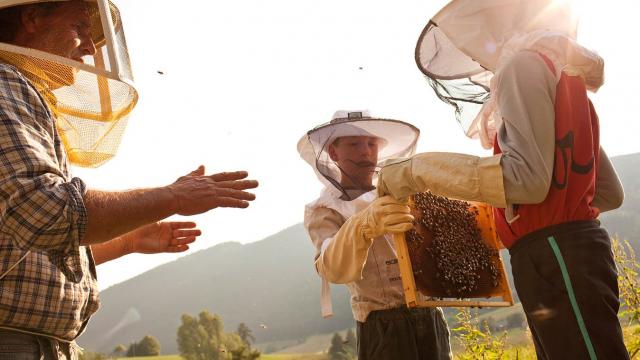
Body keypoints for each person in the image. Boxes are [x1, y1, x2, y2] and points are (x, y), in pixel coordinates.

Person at [0, 1, 258, 358]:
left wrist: (128, 239)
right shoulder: (4, 84)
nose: (91, 48)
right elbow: (44, 210)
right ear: (31, 18)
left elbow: (28, 247)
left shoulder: (15, 90)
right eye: (80, 27)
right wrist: (172, 196)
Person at [376, 0, 627, 358]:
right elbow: (608, 192)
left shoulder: (521, 64)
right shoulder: (566, 76)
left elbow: (529, 182)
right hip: (578, 251)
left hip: (554, 253)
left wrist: (418, 170)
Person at [298, 110, 451, 360]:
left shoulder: (401, 191)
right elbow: (331, 267)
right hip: (384, 323)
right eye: (354, 144)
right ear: (333, 153)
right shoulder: (324, 210)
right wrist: (362, 227)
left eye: (371, 144)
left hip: (431, 312)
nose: (366, 151)